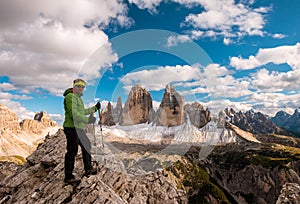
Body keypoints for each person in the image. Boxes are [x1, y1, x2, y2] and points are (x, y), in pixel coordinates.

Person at [63, 78, 101, 183]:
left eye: (82, 87)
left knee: (86, 146)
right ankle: (68, 177)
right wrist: (88, 120)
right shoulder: (70, 97)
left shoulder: (78, 98)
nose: (81, 88)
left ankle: (88, 169)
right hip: (71, 127)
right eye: (79, 86)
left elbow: (82, 111)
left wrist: (94, 109)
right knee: (72, 150)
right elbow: (73, 114)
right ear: (74, 86)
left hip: (78, 128)